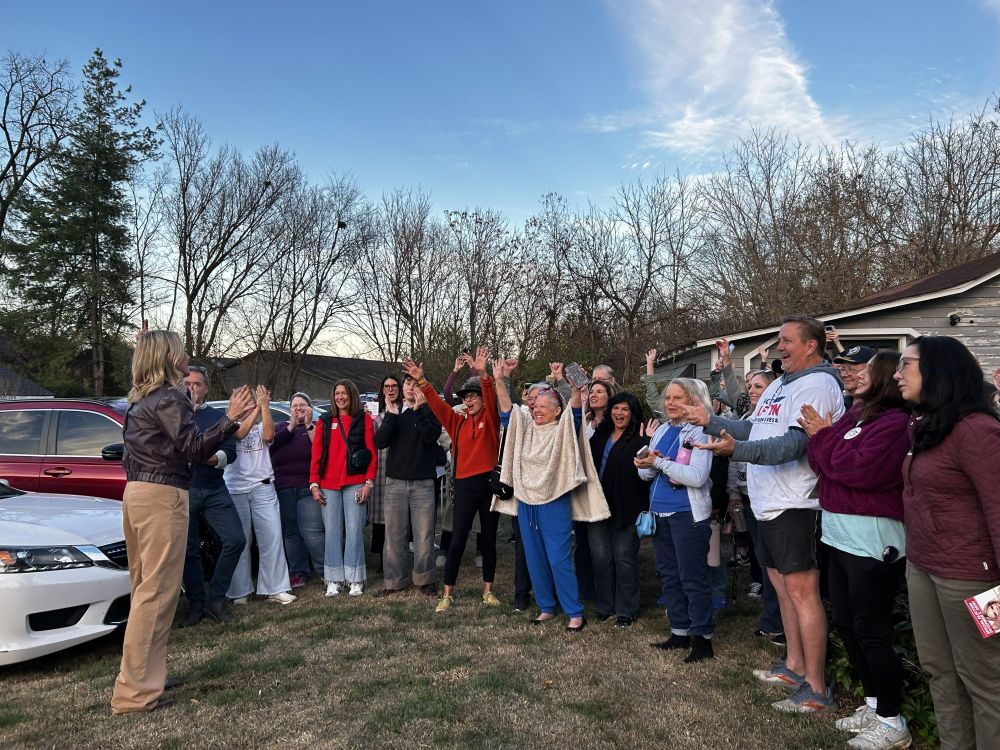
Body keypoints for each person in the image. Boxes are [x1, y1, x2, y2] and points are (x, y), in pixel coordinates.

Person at [690, 315, 845, 712]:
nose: (780, 348)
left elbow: (793, 446)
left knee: (802, 592)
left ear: (811, 345)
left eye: (787, 341)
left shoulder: (820, 384)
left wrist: (734, 452)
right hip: (766, 502)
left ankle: (816, 687)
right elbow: (752, 430)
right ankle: (793, 666)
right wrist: (711, 421)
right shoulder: (780, 383)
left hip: (796, 502)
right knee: (781, 588)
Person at [111, 329, 253, 714]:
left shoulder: (140, 400)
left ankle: (143, 678)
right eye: (180, 351)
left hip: (137, 495)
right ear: (168, 356)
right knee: (156, 594)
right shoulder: (170, 398)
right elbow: (193, 449)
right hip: (161, 497)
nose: (186, 356)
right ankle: (135, 694)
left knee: (145, 591)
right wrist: (230, 419)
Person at [801, 352, 912, 749]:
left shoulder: (895, 424)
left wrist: (825, 441)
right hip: (838, 534)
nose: (854, 375)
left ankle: (892, 721)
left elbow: (860, 471)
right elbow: (822, 462)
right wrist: (827, 445)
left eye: (865, 371)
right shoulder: (858, 414)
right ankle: (873, 702)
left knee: (872, 630)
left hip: (872, 540)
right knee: (847, 623)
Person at [894, 336, 1000, 750]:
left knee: (986, 680)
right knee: (939, 669)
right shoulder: (926, 425)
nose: (898, 373)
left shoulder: (978, 430)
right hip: (923, 566)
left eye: (907, 364)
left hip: (974, 579)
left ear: (939, 370)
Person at [492, 358, 609, 632]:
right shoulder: (525, 425)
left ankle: (574, 612)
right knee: (534, 557)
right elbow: (508, 410)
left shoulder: (564, 428)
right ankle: (545, 606)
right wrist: (499, 380)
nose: (538, 410)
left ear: (558, 411)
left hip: (554, 499)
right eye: (535, 406)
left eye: (545, 407)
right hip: (526, 499)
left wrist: (577, 389)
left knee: (558, 558)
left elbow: (576, 410)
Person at [404, 347, 501, 613]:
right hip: (465, 486)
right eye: (466, 398)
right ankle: (448, 594)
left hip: (488, 486)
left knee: (489, 538)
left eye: (474, 397)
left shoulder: (491, 421)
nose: (469, 401)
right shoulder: (457, 423)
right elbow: (436, 404)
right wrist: (422, 381)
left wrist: (483, 376)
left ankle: (488, 591)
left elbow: (492, 401)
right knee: (457, 539)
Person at [636, 378, 716, 663]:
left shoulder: (701, 433)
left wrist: (657, 463)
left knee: (692, 577)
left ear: (693, 401)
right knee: (669, 575)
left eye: (677, 398)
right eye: (667, 397)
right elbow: (647, 476)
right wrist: (644, 462)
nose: (670, 403)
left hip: (687, 515)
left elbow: (696, 477)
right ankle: (679, 631)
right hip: (661, 514)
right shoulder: (663, 430)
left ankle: (702, 638)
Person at [179, 366, 245, 627]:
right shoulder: (175, 414)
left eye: (197, 384)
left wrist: (207, 457)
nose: (192, 388)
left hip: (215, 489)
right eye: (187, 384)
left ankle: (215, 599)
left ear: (205, 388)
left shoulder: (218, 417)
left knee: (235, 539)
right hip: (186, 490)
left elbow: (230, 450)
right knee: (188, 550)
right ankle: (195, 604)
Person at [726, 368, 784, 641]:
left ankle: (776, 620)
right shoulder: (749, 418)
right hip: (748, 497)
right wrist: (734, 492)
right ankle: (772, 616)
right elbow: (735, 459)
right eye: (750, 385)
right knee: (762, 561)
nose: (751, 390)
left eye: (758, 387)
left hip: (772, 500)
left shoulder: (775, 422)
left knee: (774, 564)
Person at [225, 386, 297, 606]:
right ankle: (239, 592)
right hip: (236, 489)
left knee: (272, 538)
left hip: (263, 487)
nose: (248, 406)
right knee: (241, 541)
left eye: (251, 402)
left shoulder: (260, 425)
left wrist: (264, 407)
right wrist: (259, 407)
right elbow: (239, 434)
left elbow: (268, 435)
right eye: (244, 402)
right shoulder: (227, 425)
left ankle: (276, 588)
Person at [373, 373, 441, 596]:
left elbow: (431, 436)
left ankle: (425, 579)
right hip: (396, 483)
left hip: (423, 483)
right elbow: (380, 442)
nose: (411, 387)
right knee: (394, 537)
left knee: (423, 535)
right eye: (407, 383)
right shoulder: (394, 413)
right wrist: (391, 416)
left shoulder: (429, 412)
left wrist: (420, 410)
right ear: (402, 388)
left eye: (416, 383)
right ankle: (394, 581)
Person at [587, 392, 651, 626]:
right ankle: (605, 605)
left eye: (625, 409)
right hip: (597, 506)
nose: (619, 413)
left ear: (632, 413)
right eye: (616, 408)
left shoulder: (640, 440)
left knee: (624, 559)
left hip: (627, 508)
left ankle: (626, 610)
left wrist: (649, 443)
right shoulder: (600, 435)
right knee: (600, 558)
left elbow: (645, 473)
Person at [310, 379, 378, 597]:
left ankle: (355, 578)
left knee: (354, 532)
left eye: (344, 393)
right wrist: (314, 483)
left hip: (356, 482)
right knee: (332, 533)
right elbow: (316, 455)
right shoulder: (324, 420)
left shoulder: (364, 420)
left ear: (352, 395)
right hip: (328, 484)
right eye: (337, 393)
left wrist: (369, 482)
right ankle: (334, 579)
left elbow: (372, 453)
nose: (340, 397)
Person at [270, 392, 324, 588]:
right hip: (283, 487)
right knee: (291, 533)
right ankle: (299, 573)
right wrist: (291, 426)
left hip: (308, 487)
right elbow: (271, 448)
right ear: (289, 409)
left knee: (312, 532)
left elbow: (320, 447)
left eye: (303, 405)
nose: (299, 408)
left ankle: (325, 570)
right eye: (295, 405)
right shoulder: (280, 427)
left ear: (310, 408)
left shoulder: (315, 428)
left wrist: (308, 424)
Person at [370, 375, 404, 571]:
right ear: (382, 390)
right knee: (381, 517)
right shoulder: (376, 414)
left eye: (394, 386)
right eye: (386, 386)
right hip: (380, 469)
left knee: (396, 518)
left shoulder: (404, 411)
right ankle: (383, 560)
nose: (390, 390)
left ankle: (396, 557)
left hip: (398, 468)